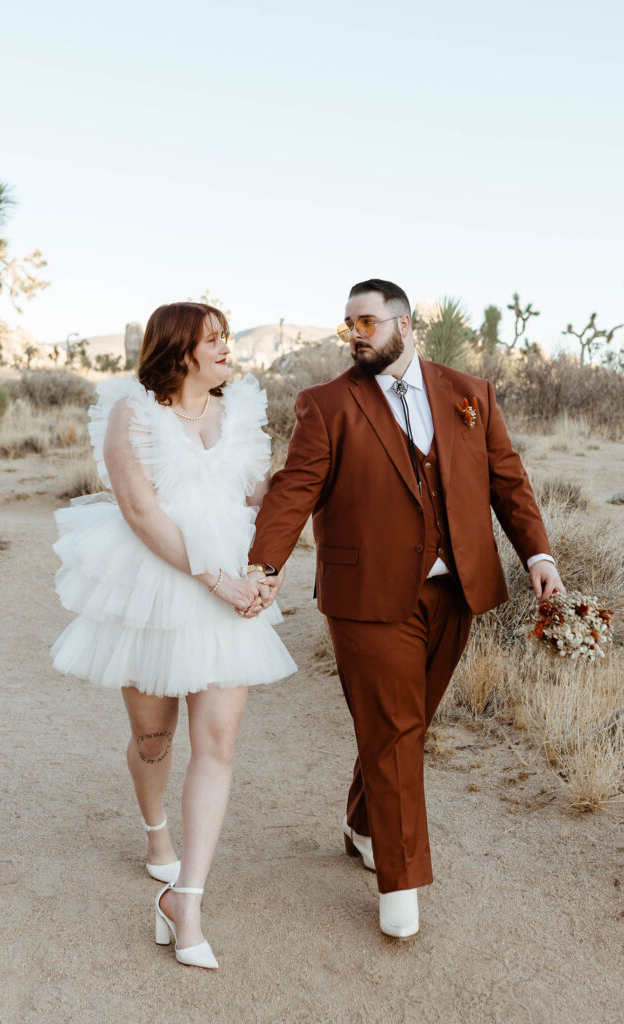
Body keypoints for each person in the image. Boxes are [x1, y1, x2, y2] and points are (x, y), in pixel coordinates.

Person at [246, 278, 564, 940]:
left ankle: (362, 823)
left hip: (455, 591)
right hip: (365, 597)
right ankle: (401, 883)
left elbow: (507, 481)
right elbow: (294, 489)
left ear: (405, 324)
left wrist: (538, 556)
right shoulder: (325, 403)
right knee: (393, 729)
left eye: (365, 322)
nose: (354, 335)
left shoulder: (468, 395)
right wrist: (264, 566)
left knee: (404, 725)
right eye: (347, 326)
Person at [51, 302, 296, 969]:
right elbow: (137, 510)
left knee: (217, 741)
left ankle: (184, 900)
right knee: (154, 738)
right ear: (179, 349)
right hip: (157, 582)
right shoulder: (133, 413)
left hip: (231, 590)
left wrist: (275, 538)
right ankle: (155, 831)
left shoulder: (239, 412)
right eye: (213, 340)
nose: (226, 350)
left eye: (225, 338)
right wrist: (214, 577)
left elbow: (255, 495)